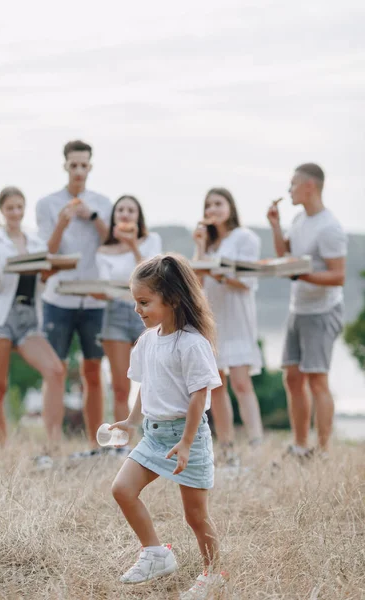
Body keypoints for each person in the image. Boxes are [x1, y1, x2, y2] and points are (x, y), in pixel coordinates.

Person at [108, 254, 226, 598]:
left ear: (172, 299)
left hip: (187, 438)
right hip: (154, 435)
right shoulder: (147, 341)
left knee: (196, 517)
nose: (137, 310)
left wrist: (188, 442)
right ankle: (156, 553)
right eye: (135, 302)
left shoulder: (192, 344)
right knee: (122, 490)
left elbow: (198, 397)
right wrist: (132, 422)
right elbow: (148, 385)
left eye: (144, 302)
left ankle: (213, 574)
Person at [36, 140, 112, 454]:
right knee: (55, 370)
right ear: (65, 166)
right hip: (58, 298)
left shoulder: (103, 202)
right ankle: (52, 446)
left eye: (84, 165)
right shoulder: (47, 204)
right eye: (73, 165)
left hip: (94, 298)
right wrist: (62, 223)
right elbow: (47, 253)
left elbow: (111, 243)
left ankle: (96, 445)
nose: (79, 170)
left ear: (90, 167)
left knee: (93, 370)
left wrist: (91, 215)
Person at [267, 163, 347, 456]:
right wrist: (276, 225)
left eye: (292, 185)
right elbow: (284, 255)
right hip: (297, 309)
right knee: (292, 378)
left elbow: (339, 276)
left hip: (322, 312)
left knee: (317, 380)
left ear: (309, 186)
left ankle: (323, 450)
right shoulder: (300, 219)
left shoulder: (330, 227)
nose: (289, 191)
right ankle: (300, 446)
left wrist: (300, 275)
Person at [0, 187, 64, 448]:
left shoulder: (35, 242)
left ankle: (54, 442)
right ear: (2, 211)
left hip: (28, 318)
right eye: (10, 208)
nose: (15, 212)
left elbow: (38, 287)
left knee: (56, 371)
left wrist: (47, 275)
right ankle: (2, 445)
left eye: (19, 207)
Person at [193, 188, 263, 466]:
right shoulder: (208, 246)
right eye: (208, 204)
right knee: (217, 385)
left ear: (230, 207)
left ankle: (256, 443)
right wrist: (199, 247)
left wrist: (216, 273)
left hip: (237, 316)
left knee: (241, 381)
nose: (213, 208)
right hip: (214, 318)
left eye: (218, 203)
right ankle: (226, 446)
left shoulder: (245, 238)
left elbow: (246, 281)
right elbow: (196, 285)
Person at [96, 195, 161, 454]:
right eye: (120, 210)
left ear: (138, 216)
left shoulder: (151, 241)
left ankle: (154, 441)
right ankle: (122, 444)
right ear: (114, 217)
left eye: (130, 210)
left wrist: (133, 246)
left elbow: (153, 276)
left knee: (154, 378)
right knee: (121, 384)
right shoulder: (103, 251)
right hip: (115, 312)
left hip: (148, 312)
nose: (125, 214)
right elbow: (104, 286)